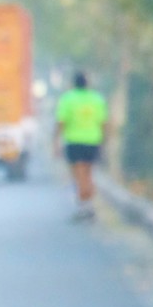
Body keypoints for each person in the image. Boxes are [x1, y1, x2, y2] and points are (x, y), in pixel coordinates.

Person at [53, 71, 108, 220]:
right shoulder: (96, 99)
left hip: (74, 141)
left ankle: (85, 207)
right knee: (88, 174)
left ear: (73, 84)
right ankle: (89, 205)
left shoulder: (68, 99)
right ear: (87, 83)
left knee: (79, 175)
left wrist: (56, 141)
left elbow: (61, 122)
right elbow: (103, 122)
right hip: (93, 141)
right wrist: (104, 142)